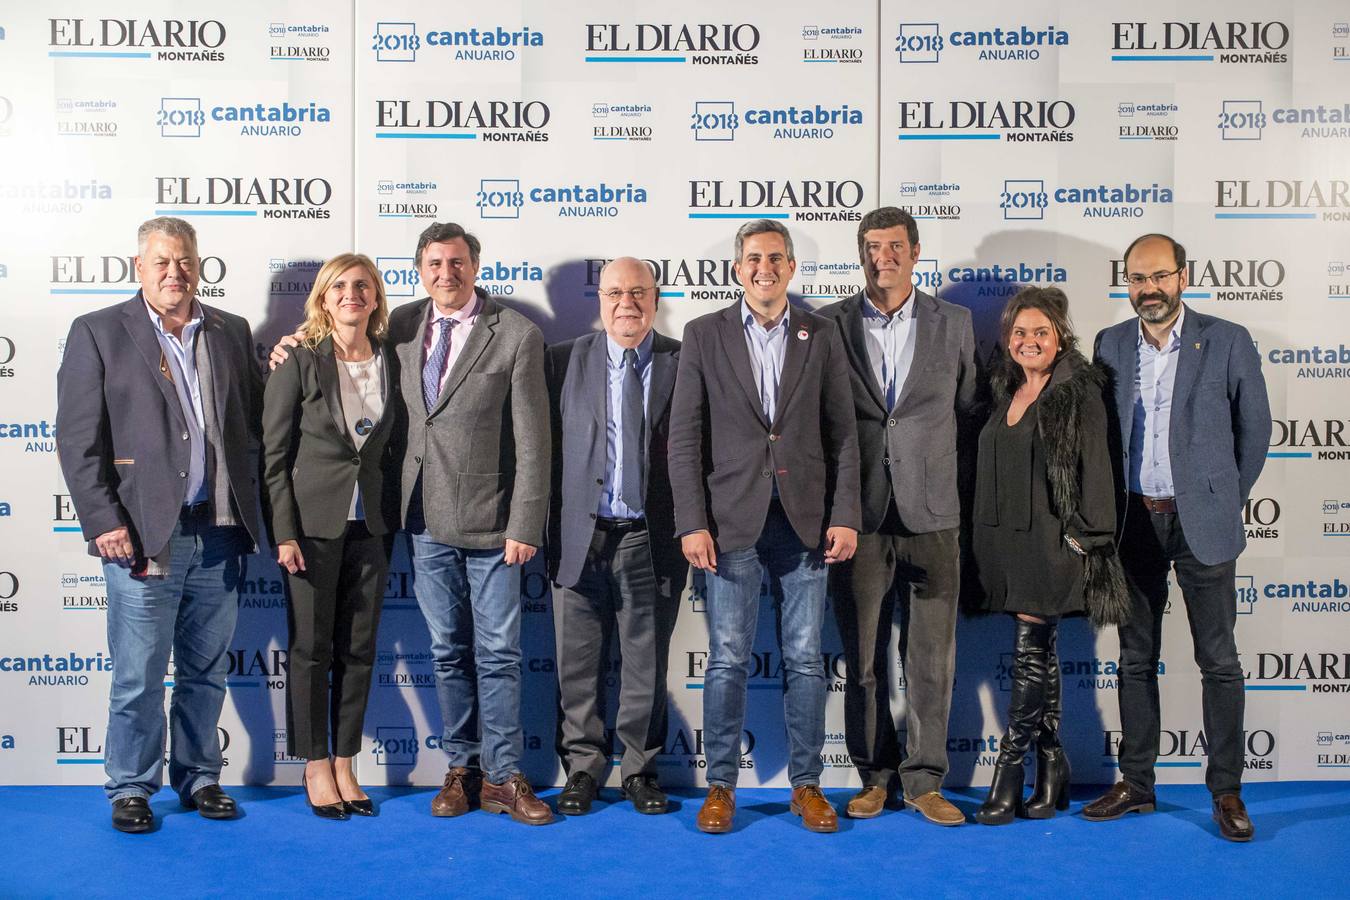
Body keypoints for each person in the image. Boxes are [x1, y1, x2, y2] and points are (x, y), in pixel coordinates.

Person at [55, 217, 263, 833]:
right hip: (143, 534)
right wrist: (102, 520)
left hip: (221, 530)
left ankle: (200, 777)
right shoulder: (98, 332)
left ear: (200, 265)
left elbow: (252, 424)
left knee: (206, 670)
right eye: (162, 262)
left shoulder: (231, 331)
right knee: (140, 673)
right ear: (139, 267)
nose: (176, 272)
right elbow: (76, 439)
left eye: (186, 261)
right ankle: (131, 787)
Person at [669, 219, 861, 834]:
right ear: (736, 268)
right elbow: (684, 438)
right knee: (726, 660)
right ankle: (721, 787)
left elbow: (844, 435)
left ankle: (807, 786)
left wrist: (845, 513)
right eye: (753, 259)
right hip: (728, 526)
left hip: (806, 524)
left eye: (776, 258)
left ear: (792, 267)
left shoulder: (822, 334)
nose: (764, 269)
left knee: (806, 660)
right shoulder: (704, 334)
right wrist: (691, 521)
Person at [1086, 234, 1271, 842]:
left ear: (1183, 276)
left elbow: (1256, 429)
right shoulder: (1110, 344)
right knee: (1135, 659)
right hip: (1134, 521)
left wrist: (1219, 495)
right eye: (1137, 279)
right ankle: (1136, 782)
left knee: (1219, 661)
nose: (1148, 289)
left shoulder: (1226, 339)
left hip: (1204, 525)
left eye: (1159, 277)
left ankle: (1226, 790)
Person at [818, 207, 978, 826]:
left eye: (894, 246)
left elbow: (968, 413)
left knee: (931, 659)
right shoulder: (828, 325)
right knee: (862, 660)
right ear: (859, 254)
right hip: (856, 517)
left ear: (915, 251)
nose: (882, 256)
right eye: (871, 246)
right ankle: (875, 776)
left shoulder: (956, 323)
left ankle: (925, 779)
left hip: (935, 515)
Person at [969, 286, 1126, 825]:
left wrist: (1084, 539)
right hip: (1008, 548)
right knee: (1041, 650)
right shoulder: (1004, 389)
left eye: (1040, 331)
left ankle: (1009, 771)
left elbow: (1097, 472)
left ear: (1060, 336)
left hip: (1053, 548)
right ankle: (1053, 764)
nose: (1029, 341)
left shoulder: (1076, 391)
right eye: (1019, 332)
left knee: (1030, 654)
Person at [544, 257, 687, 816]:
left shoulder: (685, 360)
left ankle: (639, 771)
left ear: (655, 299)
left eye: (638, 292)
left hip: (651, 539)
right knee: (575, 665)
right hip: (579, 536)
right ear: (598, 299)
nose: (626, 303)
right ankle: (582, 769)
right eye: (614, 293)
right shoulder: (560, 361)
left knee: (644, 664)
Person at [262, 254, 401, 820]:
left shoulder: (393, 357)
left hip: (372, 524)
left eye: (362, 286)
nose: (352, 294)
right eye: (340, 286)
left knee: (360, 649)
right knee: (310, 647)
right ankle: (314, 765)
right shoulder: (298, 359)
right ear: (323, 297)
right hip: (311, 528)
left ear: (375, 298)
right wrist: (284, 531)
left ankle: (346, 759)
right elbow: (273, 457)